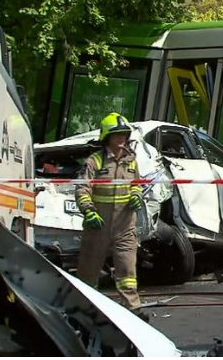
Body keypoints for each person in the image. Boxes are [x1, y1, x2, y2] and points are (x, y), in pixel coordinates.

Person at [75, 113, 146, 318]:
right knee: (88, 273)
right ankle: (85, 312)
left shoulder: (131, 161)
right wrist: (89, 211)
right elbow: (82, 189)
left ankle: (134, 311)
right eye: (117, 134)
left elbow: (136, 185)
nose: (121, 138)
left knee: (127, 272)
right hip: (98, 226)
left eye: (124, 134)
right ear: (107, 136)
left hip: (125, 226)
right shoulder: (94, 162)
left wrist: (135, 195)